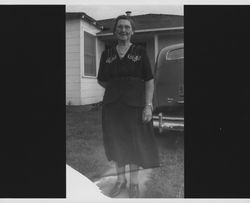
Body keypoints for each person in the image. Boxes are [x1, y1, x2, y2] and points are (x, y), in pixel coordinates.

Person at [97, 15, 159, 198]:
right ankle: (120, 181)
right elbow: (101, 79)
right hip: (113, 108)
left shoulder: (140, 52)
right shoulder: (107, 54)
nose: (123, 30)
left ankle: (133, 184)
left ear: (132, 31)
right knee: (116, 144)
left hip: (135, 107)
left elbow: (149, 80)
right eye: (120, 27)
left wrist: (147, 105)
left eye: (127, 27)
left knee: (134, 144)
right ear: (115, 30)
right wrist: (118, 89)